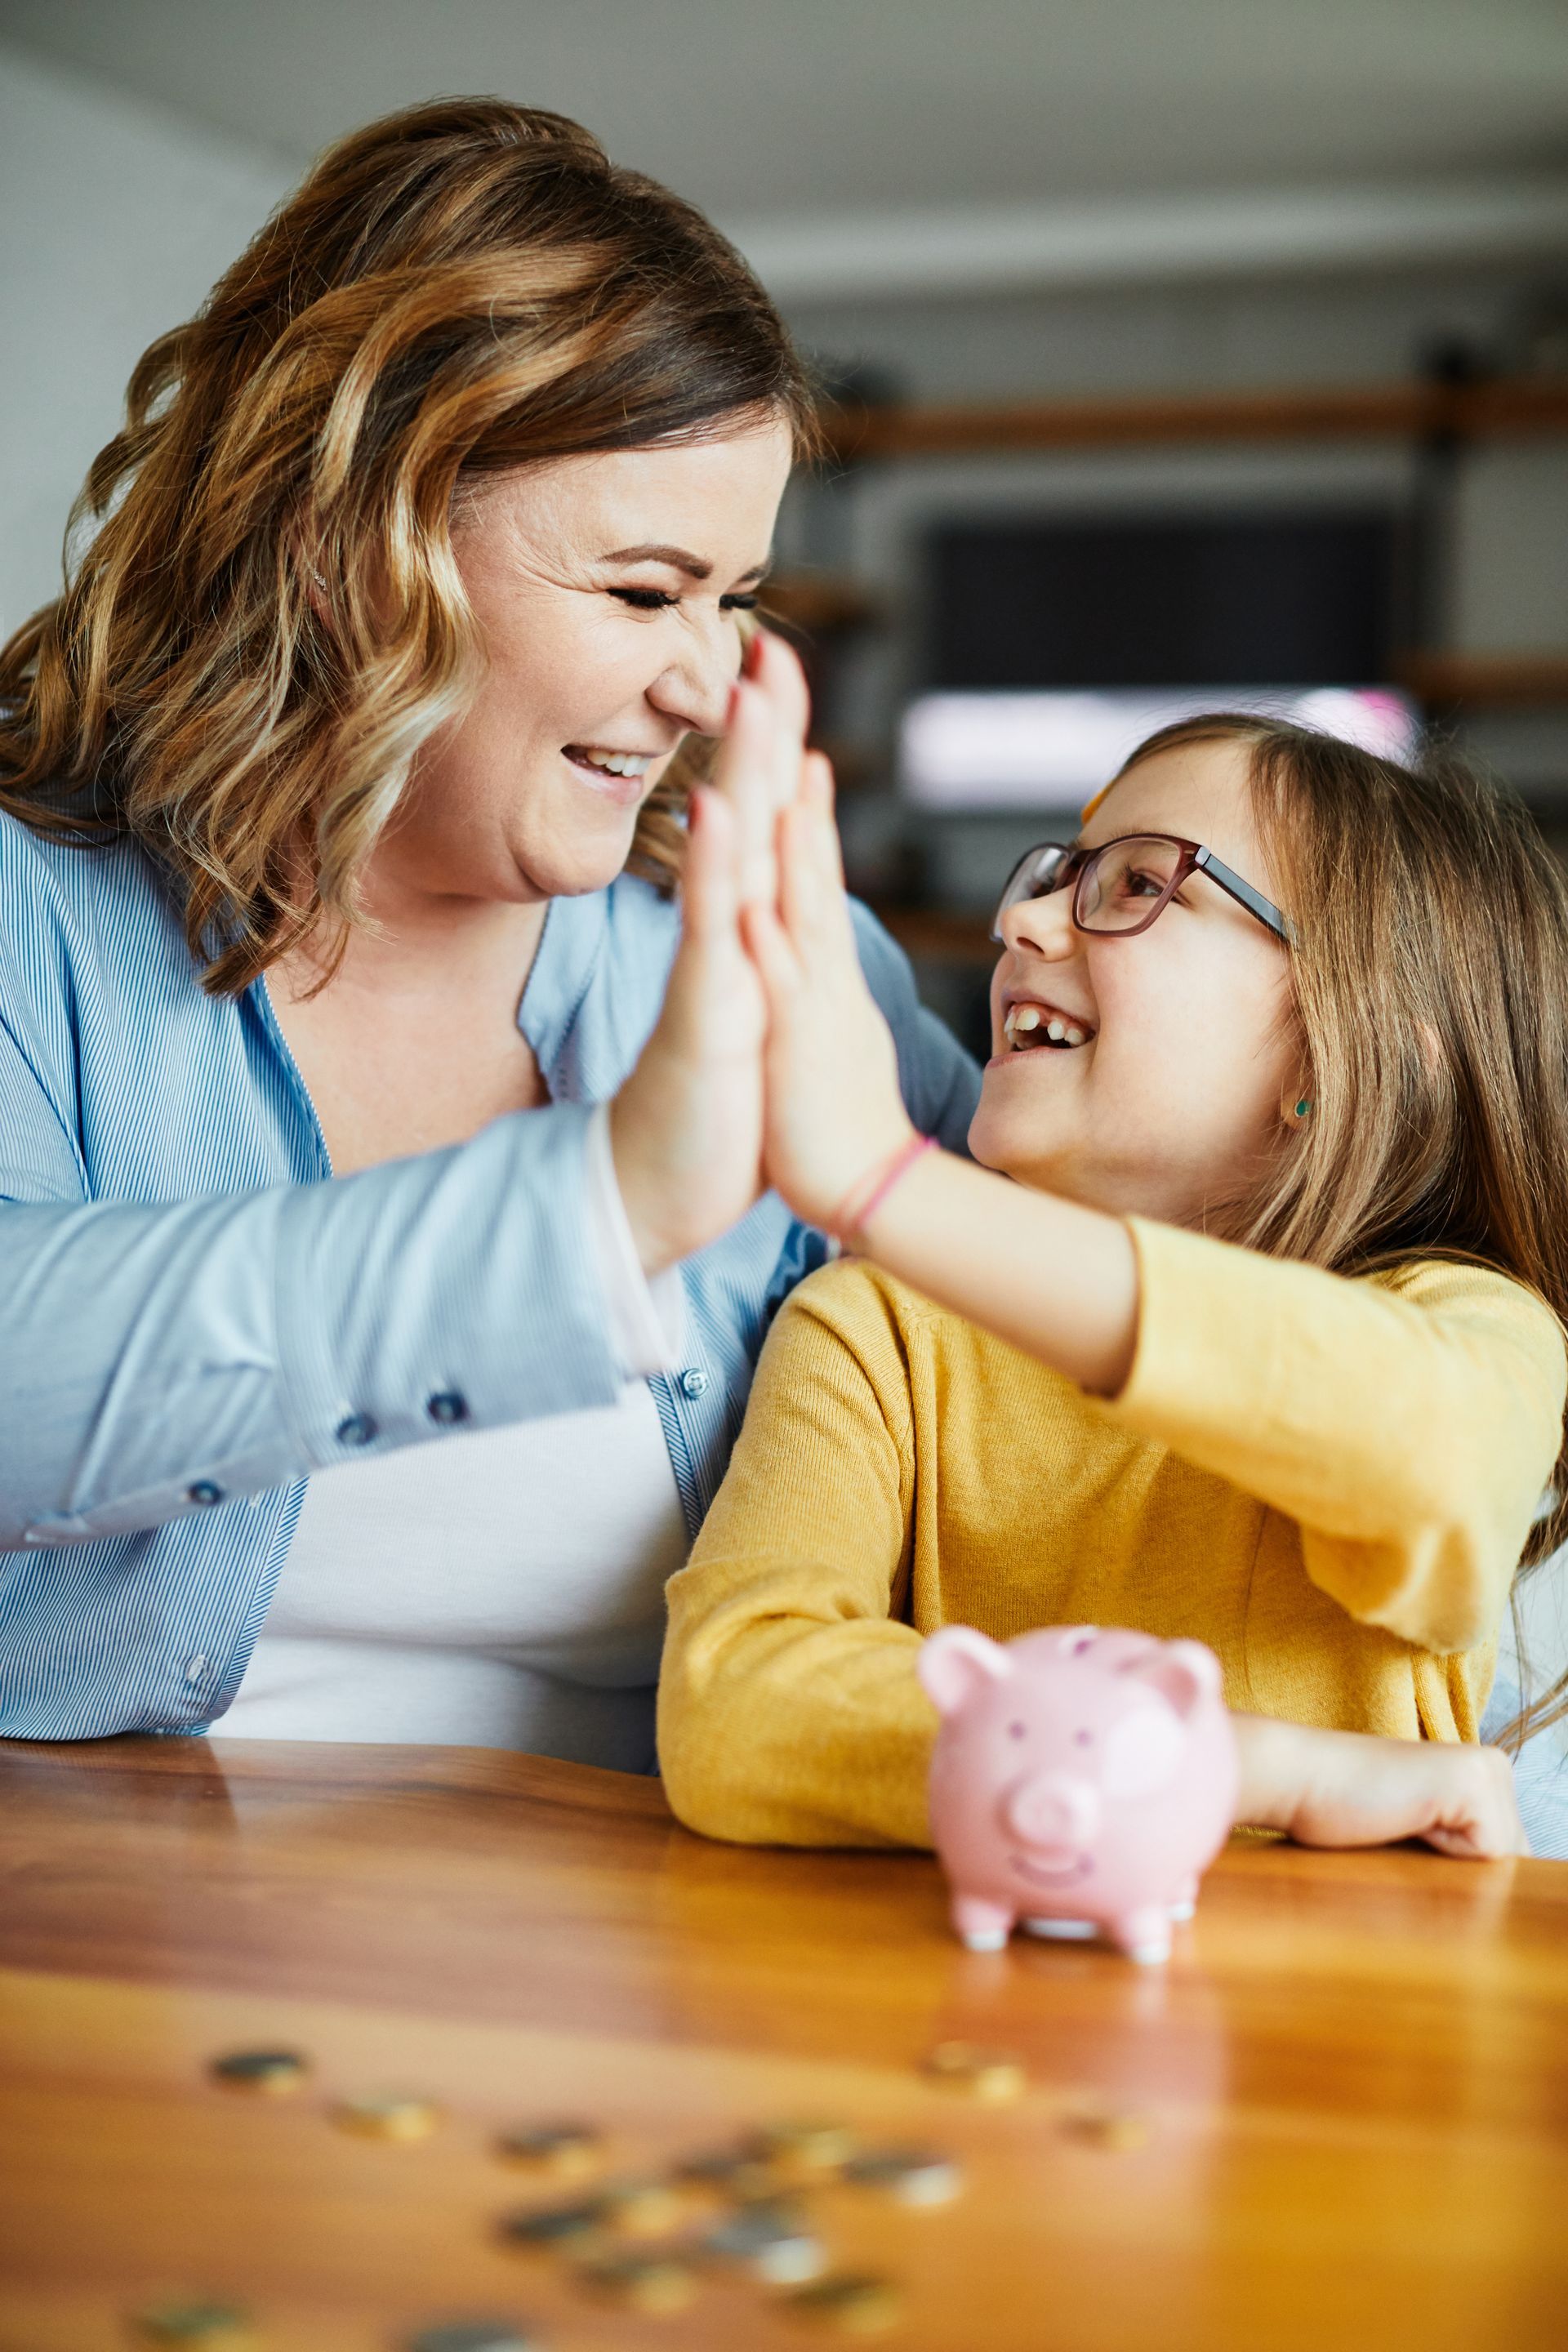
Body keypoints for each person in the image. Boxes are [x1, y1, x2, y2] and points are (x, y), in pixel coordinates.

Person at [0, 100, 975, 1759]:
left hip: (675, 1990)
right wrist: (601, 1204)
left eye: (734, 601)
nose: (710, 681)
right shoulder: (35, 918)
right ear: (348, 551)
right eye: (645, 590)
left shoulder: (757, 952)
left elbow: (1100, 1313)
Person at [659, 670, 1568, 1858]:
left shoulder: (1464, 1326)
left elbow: (1432, 1457)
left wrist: (892, 1182)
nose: (1022, 924)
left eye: (1140, 883)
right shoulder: (881, 1323)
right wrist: (1238, 1768)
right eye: (1051, 877)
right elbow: (739, 1704)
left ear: (1351, 1046)